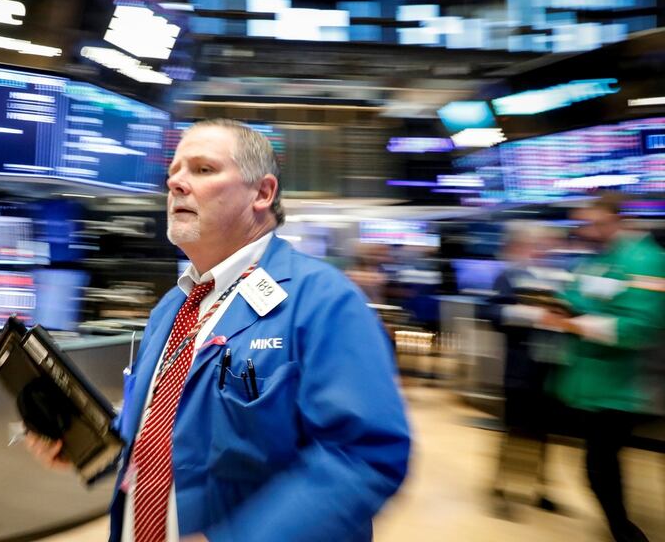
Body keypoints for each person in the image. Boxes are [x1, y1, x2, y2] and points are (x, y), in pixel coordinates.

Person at [30, 118, 411, 542]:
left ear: (262, 193)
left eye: (202, 169)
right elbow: (168, 427)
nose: (176, 183)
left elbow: (364, 455)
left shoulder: (323, 300)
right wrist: (91, 446)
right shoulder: (172, 307)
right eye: (172, 172)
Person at [540, 194, 665, 542]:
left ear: (617, 221)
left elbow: (637, 329)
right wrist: (561, 308)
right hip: (591, 387)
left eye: (592, 224)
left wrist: (574, 325)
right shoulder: (594, 261)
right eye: (581, 224)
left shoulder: (648, 261)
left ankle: (626, 534)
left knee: (599, 468)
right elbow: (578, 297)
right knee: (600, 468)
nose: (585, 232)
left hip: (629, 387)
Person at [481, 222, 562, 517]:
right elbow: (489, 311)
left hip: (550, 367)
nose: (545, 250)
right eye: (539, 245)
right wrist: (530, 315)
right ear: (521, 246)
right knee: (514, 431)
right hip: (520, 369)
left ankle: (540, 487)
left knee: (544, 433)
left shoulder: (558, 278)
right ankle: (502, 487)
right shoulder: (508, 276)